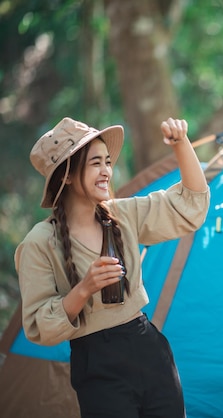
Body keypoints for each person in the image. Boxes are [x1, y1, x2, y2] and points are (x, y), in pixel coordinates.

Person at [15, 116, 209, 418]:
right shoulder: (39, 243)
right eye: (95, 164)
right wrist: (84, 289)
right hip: (96, 363)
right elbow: (40, 326)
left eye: (108, 162)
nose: (107, 171)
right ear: (66, 175)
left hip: (148, 348)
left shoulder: (122, 214)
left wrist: (181, 144)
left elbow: (190, 207)